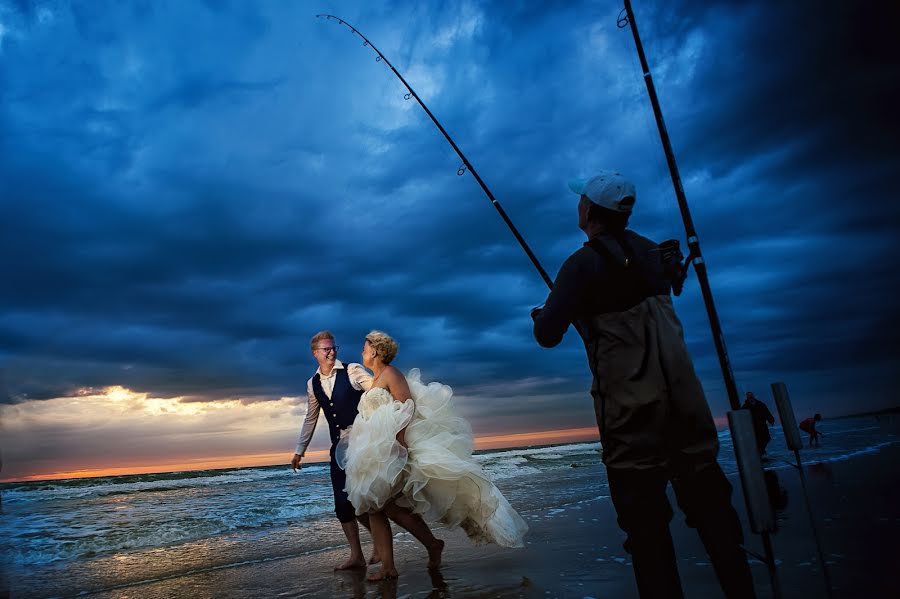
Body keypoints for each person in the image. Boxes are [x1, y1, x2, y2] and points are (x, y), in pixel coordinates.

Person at [531, 171, 755, 599]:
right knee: (717, 526)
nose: (577, 205)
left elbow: (547, 335)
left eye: (581, 201)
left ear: (591, 212)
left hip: (632, 422)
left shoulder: (582, 264)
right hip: (687, 412)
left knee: (648, 540)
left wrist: (543, 314)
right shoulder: (654, 253)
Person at [339, 330, 528, 581]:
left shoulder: (390, 373)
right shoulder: (374, 380)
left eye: (364, 348)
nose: (362, 352)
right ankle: (406, 558)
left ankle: (408, 557)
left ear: (374, 350)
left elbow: (407, 404)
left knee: (384, 506)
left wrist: (400, 441)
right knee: (382, 507)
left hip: (394, 446)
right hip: (378, 448)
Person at [291, 331, 444, 572]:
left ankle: (393, 552)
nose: (331, 352)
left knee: (381, 505)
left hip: (366, 445)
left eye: (333, 347)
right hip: (339, 451)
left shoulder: (352, 370)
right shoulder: (312, 384)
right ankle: (358, 556)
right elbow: (311, 418)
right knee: (345, 505)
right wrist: (300, 450)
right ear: (315, 354)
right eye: (326, 349)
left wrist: (390, 430)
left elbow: (376, 390)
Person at [741, 391, 776, 455]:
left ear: (753, 396)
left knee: (766, 439)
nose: (750, 397)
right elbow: (742, 417)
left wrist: (771, 420)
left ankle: (761, 451)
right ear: (747, 397)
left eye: (751, 395)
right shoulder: (745, 407)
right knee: (757, 440)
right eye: (749, 396)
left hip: (762, 425)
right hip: (752, 427)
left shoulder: (760, 404)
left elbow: (766, 412)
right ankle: (760, 453)